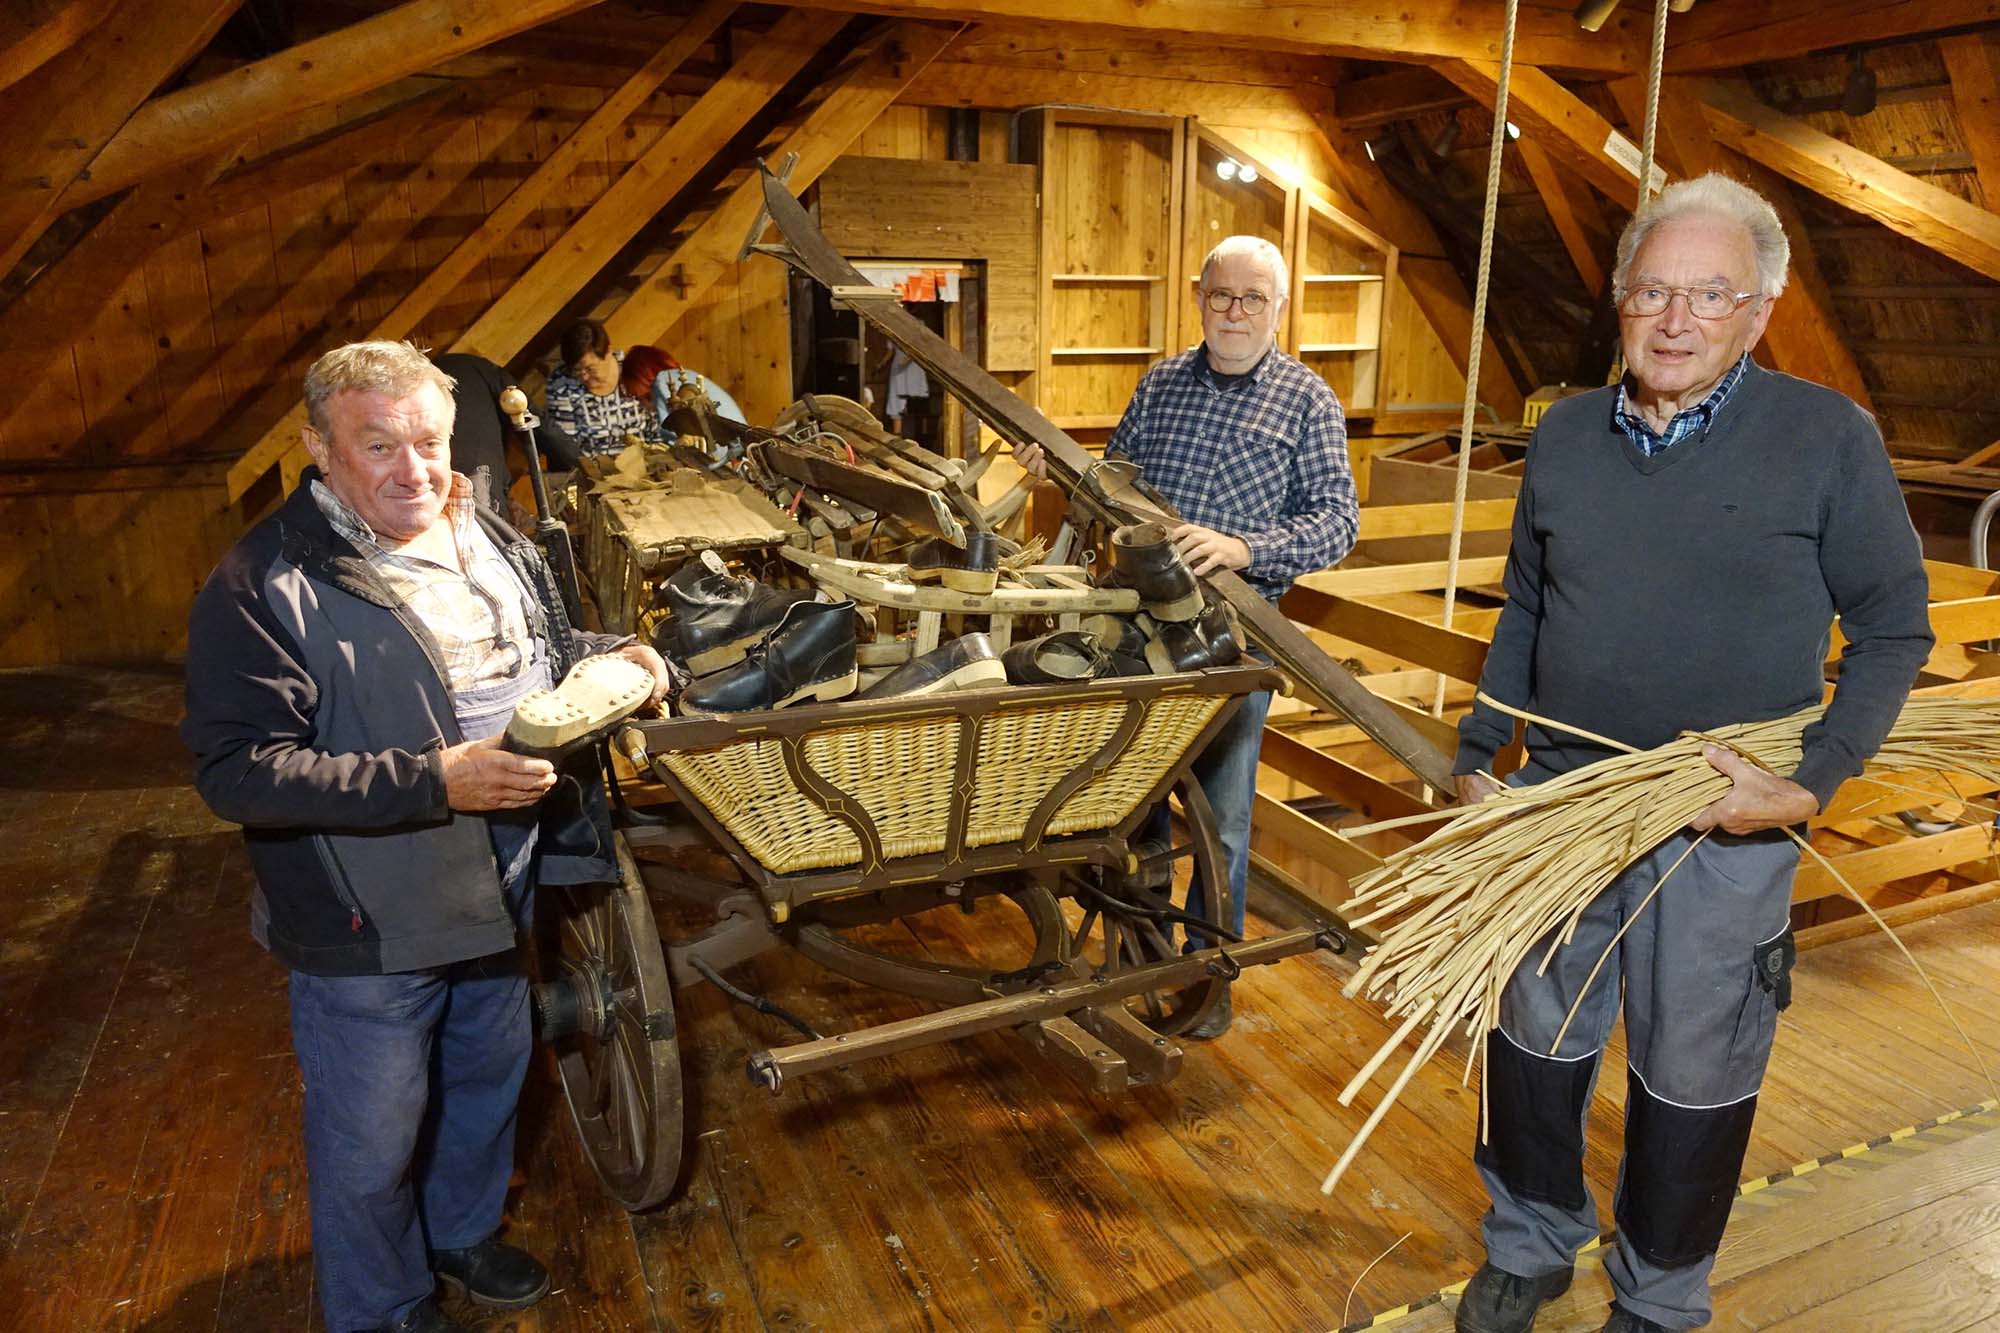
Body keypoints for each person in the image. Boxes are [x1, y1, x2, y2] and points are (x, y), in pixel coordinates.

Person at [1447, 174, 1932, 1333]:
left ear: (1756, 311)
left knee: (1692, 1069)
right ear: (1617, 300)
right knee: (1532, 1037)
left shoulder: (1824, 438)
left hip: (1723, 815)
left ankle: (1658, 1296)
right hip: (1560, 794)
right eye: (1652, 290)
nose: (1675, 319)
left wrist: (1806, 783)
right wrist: (1479, 750)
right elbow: (1525, 602)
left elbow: (1892, 624)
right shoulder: (1562, 433)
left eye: (1708, 295)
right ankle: (1528, 1237)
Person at [181, 340, 670, 1333]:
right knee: (373, 1124)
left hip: (506, 859)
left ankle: (460, 1232)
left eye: (431, 442)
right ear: (319, 447)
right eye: (378, 447)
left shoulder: (477, 527)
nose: (415, 471)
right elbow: (234, 769)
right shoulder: (267, 582)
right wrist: (432, 779)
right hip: (370, 896)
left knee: (488, 1065)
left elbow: (525, 646)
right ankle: (382, 1306)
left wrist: (608, 652)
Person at [1017, 234, 1359, 1038]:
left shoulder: (1308, 400)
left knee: (1224, 819)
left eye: (1253, 300)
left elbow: (1339, 521)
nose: (1235, 313)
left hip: (1234, 638)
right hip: (1139, 627)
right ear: (1200, 297)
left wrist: (1248, 548)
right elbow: (1115, 482)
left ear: (1279, 309)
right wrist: (1054, 469)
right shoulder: (1163, 383)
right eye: (1221, 296)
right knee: (1135, 805)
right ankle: (1144, 955)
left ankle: (1208, 982)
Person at [430, 351, 579, 519]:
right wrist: (577, 460)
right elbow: (538, 423)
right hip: (476, 486)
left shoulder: (434, 376)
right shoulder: (484, 372)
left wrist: (506, 500)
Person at [540, 318, 666, 456]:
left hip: (644, 464)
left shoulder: (633, 369)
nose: (584, 377)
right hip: (593, 469)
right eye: (576, 370)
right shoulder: (562, 383)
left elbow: (658, 430)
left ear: (608, 351)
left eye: (590, 369)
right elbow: (568, 445)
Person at [619, 343, 749, 427]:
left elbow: (671, 432)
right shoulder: (686, 375)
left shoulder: (663, 381)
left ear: (642, 376)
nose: (639, 402)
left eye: (636, 396)